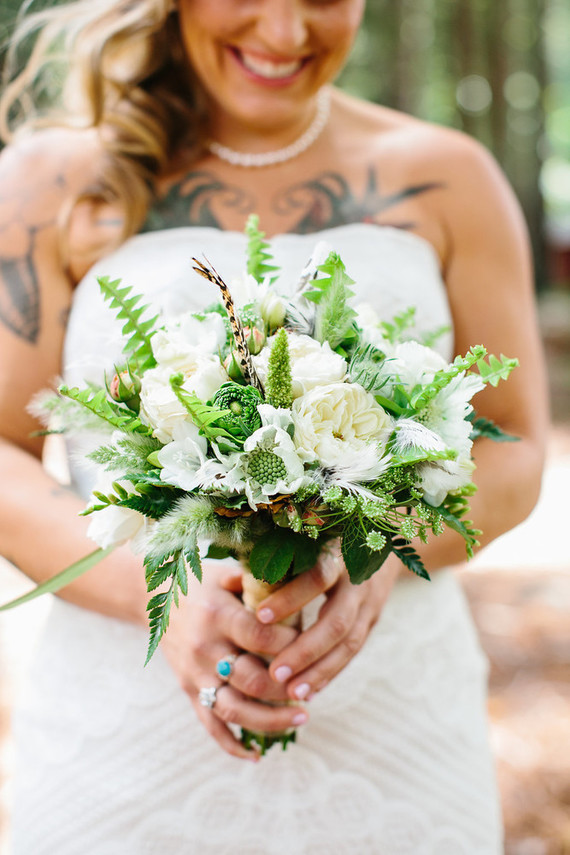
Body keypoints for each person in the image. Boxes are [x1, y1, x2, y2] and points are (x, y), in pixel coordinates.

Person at [0, 1, 548, 853]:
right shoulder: (50, 183)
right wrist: (158, 594)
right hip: (125, 738)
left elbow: (516, 444)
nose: (285, 33)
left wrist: (380, 556)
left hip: (394, 727)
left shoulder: (449, 178)